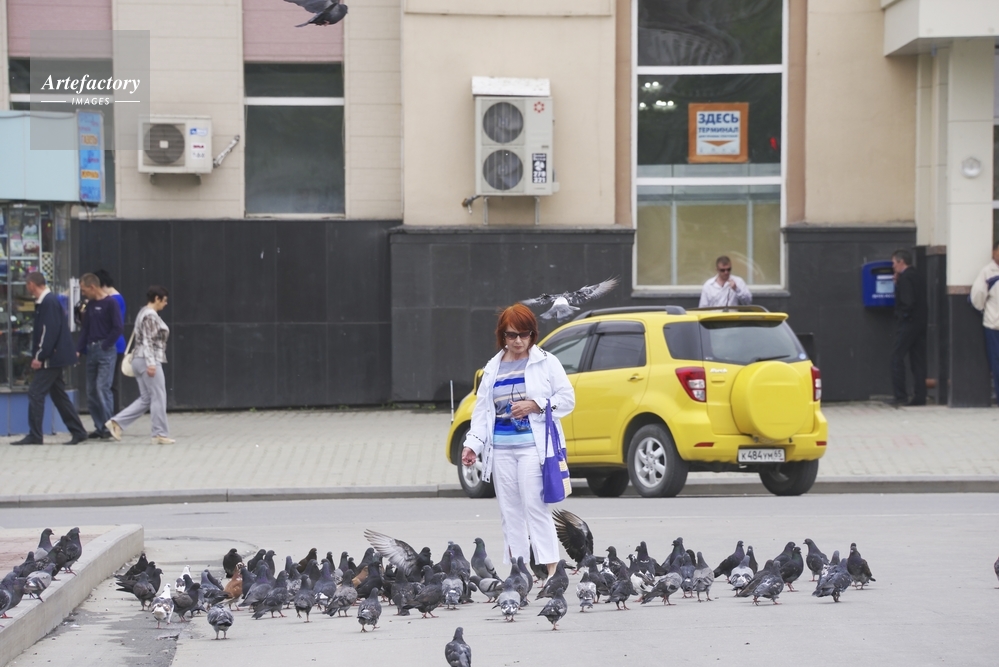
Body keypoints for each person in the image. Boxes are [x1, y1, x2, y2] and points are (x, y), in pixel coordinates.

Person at [460, 304, 574, 579]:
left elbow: (567, 399)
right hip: (501, 450)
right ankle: (520, 574)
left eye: (525, 334)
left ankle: (552, 570)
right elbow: (482, 413)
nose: (519, 341)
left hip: (533, 448)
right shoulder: (492, 367)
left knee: (535, 506)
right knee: (509, 511)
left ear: (533, 334)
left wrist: (536, 404)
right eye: (512, 335)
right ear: (502, 335)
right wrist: (472, 444)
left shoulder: (546, 361)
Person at [11, 272, 88, 445]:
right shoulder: (48, 301)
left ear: (32, 284)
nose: (27, 288)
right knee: (59, 395)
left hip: (51, 357)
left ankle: (35, 435)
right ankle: (78, 431)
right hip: (56, 356)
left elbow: (48, 331)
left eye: (27, 285)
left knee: (35, 392)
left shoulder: (48, 302)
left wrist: (40, 356)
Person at [106, 285, 173, 444]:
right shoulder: (150, 315)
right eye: (164, 300)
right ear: (156, 299)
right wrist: (151, 363)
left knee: (146, 398)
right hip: (148, 359)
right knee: (158, 396)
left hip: (138, 358)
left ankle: (117, 422)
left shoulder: (143, 312)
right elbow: (148, 340)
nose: (166, 304)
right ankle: (159, 433)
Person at [76, 273, 123, 439]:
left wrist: (105, 344)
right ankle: (100, 427)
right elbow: (86, 329)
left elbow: (118, 327)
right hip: (92, 348)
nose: (83, 293)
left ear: (92, 287)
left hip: (105, 350)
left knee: (102, 387)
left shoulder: (111, 303)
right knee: (91, 391)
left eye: (84, 290)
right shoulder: (90, 305)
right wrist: (79, 349)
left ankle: (110, 426)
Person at [890, 249, 927, 406]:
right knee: (917, 360)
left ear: (901, 262)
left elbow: (907, 301)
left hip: (908, 322)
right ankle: (920, 396)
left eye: (894, 263)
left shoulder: (905, 278)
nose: (893, 266)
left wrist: (901, 315)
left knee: (896, 357)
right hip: (920, 322)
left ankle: (900, 396)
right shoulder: (917, 275)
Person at [970, 241, 999, 405]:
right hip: (994, 325)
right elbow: (978, 296)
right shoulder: (988, 272)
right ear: (994, 252)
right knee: (997, 363)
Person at [94, 269, 126, 414]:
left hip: (112, 344)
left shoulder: (113, 300)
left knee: (110, 384)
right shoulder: (116, 298)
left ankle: (113, 415)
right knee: (111, 383)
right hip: (115, 344)